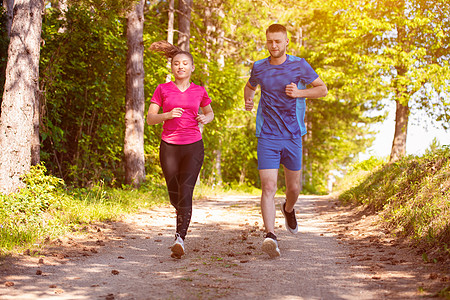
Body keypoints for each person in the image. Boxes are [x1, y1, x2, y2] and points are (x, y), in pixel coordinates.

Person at [244, 24, 327, 258]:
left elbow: (322, 90)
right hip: (267, 135)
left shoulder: (299, 65)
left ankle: (288, 209)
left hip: (292, 135)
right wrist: (248, 101)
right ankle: (270, 235)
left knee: (294, 188)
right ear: (266, 41)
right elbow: (249, 87)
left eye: (278, 41)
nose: (274, 46)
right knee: (268, 186)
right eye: (270, 41)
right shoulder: (259, 67)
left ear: (286, 41)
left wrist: (299, 93)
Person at [147, 41, 214, 259]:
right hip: (169, 146)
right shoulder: (162, 89)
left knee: (186, 191)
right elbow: (150, 119)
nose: (181, 67)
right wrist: (166, 115)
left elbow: (210, 113)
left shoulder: (199, 91)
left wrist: (205, 117)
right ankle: (180, 215)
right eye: (177, 64)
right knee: (174, 193)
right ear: (172, 67)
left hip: (193, 145)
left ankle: (179, 238)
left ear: (192, 67)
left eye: (185, 63)